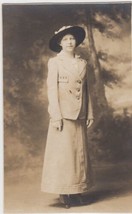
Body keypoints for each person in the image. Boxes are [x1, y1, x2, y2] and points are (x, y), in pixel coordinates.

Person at [41, 25, 94, 208]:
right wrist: (55, 115)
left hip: (79, 113)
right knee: (63, 155)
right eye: (65, 39)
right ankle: (64, 192)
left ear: (76, 41)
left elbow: (87, 90)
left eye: (72, 38)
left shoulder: (82, 63)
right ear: (59, 43)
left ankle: (77, 190)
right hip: (63, 115)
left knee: (78, 154)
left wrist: (89, 113)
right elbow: (51, 90)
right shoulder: (55, 63)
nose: (69, 42)